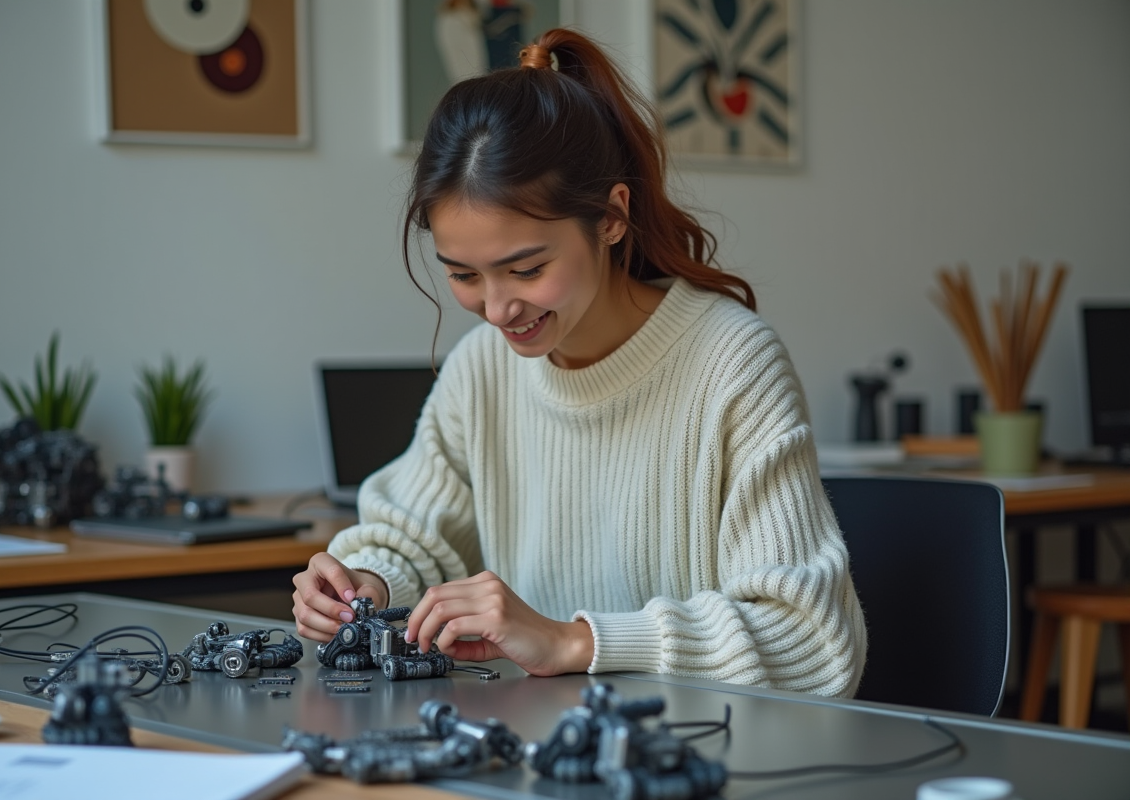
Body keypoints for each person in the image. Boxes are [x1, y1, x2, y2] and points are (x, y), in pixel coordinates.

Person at [293, 28, 866, 696]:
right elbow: (413, 538)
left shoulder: (733, 364)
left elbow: (813, 641)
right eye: (465, 275)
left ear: (612, 217)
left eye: (526, 269)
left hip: (697, 746)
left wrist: (573, 641)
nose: (497, 309)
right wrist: (365, 582)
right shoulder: (483, 370)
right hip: (532, 741)